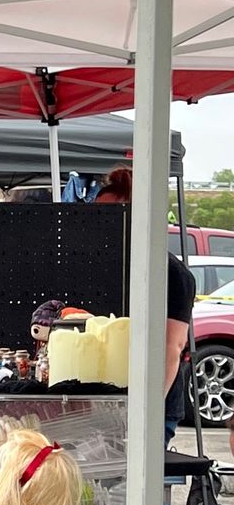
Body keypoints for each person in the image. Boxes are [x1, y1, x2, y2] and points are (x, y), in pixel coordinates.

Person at [94, 167, 194, 444]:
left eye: (112, 216)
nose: (102, 225)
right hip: (99, 402)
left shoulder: (172, 274)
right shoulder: (98, 268)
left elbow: (171, 349)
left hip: (153, 407)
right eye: (97, 216)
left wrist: (144, 413)